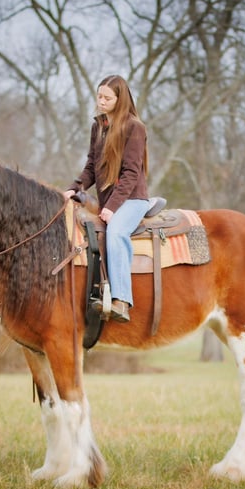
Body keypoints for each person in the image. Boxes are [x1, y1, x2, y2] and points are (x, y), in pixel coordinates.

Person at [64, 75, 150, 323]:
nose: (101, 102)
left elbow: (132, 173)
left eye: (107, 98)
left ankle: (121, 300)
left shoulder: (135, 127)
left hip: (132, 199)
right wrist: (74, 188)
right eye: (99, 96)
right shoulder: (98, 126)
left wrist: (112, 207)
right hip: (110, 201)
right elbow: (91, 166)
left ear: (119, 99)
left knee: (115, 233)